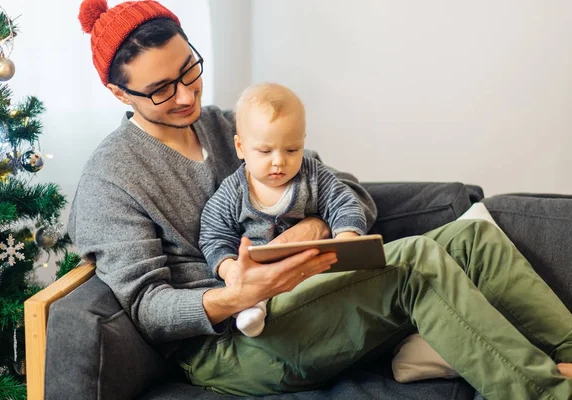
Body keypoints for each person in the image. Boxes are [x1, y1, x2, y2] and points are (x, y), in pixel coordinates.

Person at [72, 0, 572, 398]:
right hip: (234, 344)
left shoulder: (225, 126)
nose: (186, 96)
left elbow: (343, 186)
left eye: (189, 70)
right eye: (161, 89)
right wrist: (237, 295)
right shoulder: (111, 180)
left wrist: (316, 228)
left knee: (474, 236)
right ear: (120, 94)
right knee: (415, 262)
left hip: (299, 297)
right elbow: (146, 308)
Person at [199, 82, 367, 337]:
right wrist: (228, 267)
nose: (279, 161)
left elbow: (344, 203)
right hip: (260, 278)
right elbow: (213, 236)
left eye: (292, 149)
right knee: (252, 289)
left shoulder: (313, 176)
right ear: (241, 147)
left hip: (311, 269)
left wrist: (346, 239)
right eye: (265, 151)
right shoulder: (232, 193)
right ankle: (251, 312)